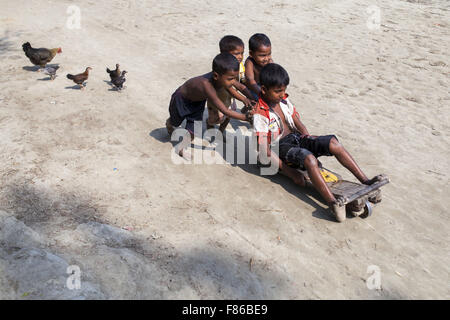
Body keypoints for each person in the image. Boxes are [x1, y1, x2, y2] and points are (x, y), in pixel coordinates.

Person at [253, 63, 381, 222]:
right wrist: (290, 172)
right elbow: (265, 151)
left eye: (284, 90)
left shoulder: (284, 101)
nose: (282, 94)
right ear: (264, 90)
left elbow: (297, 123)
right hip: (280, 147)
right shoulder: (260, 114)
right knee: (309, 160)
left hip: (297, 139)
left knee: (333, 142)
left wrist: (309, 140)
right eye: (278, 91)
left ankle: (365, 180)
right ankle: (333, 203)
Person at [166, 52, 252, 157]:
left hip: (198, 103)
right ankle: (170, 122)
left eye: (235, 77)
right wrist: (245, 117)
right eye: (231, 79)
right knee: (175, 121)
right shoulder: (206, 85)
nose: (233, 81)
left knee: (193, 130)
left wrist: (247, 98)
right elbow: (224, 110)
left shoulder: (224, 78)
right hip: (181, 100)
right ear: (216, 75)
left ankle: (181, 148)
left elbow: (238, 86)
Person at [206, 35, 255, 133]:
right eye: (236, 54)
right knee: (216, 119)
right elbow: (229, 88)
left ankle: (221, 131)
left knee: (228, 116)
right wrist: (244, 98)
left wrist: (251, 96)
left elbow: (240, 83)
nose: (240, 57)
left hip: (229, 98)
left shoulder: (239, 65)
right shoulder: (223, 69)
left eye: (242, 53)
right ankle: (209, 124)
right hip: (218, 98)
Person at [244, 33, 273, 103]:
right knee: (256, 102)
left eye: (269, 54)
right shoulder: (250, 62)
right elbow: (250, 80)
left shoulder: (270, 61)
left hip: (263, 85)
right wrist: (262, 93)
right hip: (252, 87)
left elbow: (274, 74)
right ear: (251, 54)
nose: (266, 58)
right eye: (262, 55)